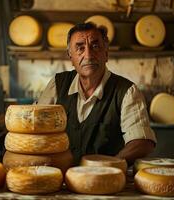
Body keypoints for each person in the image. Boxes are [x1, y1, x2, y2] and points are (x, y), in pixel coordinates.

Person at [37, 22, 157, 165]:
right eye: (80, 48)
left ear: (106, 53)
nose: (88, 55)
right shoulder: (57, 84)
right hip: (62, 180)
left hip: (107, 182)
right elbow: (36, 128)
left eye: (95, 46)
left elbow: (142, 142)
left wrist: (107, 166)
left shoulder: (126, 91)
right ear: (71, 57)